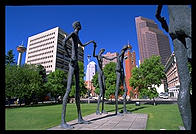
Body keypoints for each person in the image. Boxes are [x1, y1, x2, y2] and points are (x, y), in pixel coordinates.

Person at [156, 5, 192, 130]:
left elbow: (157, 14)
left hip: (173, 27)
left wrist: (163, 22)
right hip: (186, 20)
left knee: (184, 84)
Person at [61, 21, 94, 129]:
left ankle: (80, 118)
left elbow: (82, 44)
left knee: (78, 91)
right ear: (77, 26)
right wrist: (69, 57)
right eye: (80, 24)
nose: (81, 25)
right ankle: (63, 121)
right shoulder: (73, 34)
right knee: (68, 89)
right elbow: (63, 42)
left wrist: (91, 42)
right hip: (72, 63)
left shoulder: (77, 36)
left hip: (76, 65)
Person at [92, 41, 117, 115]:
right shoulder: (97, 56)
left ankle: (102, 109)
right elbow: (93, 54)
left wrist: (116, 57)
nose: (102, 53)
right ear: (99, 51)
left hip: (102, 74)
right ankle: (97, 110)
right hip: (99, 74)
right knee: (100, 92)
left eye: (103, 52)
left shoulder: (102, 57)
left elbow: (109, 59)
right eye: (102, 51)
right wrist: (94, 47)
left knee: (104, 91)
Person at [114, 45, 132, 115]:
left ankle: (124, 109)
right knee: (117, 89)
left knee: (126, 89)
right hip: (119, 71)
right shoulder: (121, 52)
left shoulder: (122, 53)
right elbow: (119, 57)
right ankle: (116, 111)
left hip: (122, 71)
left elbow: (120, 58)